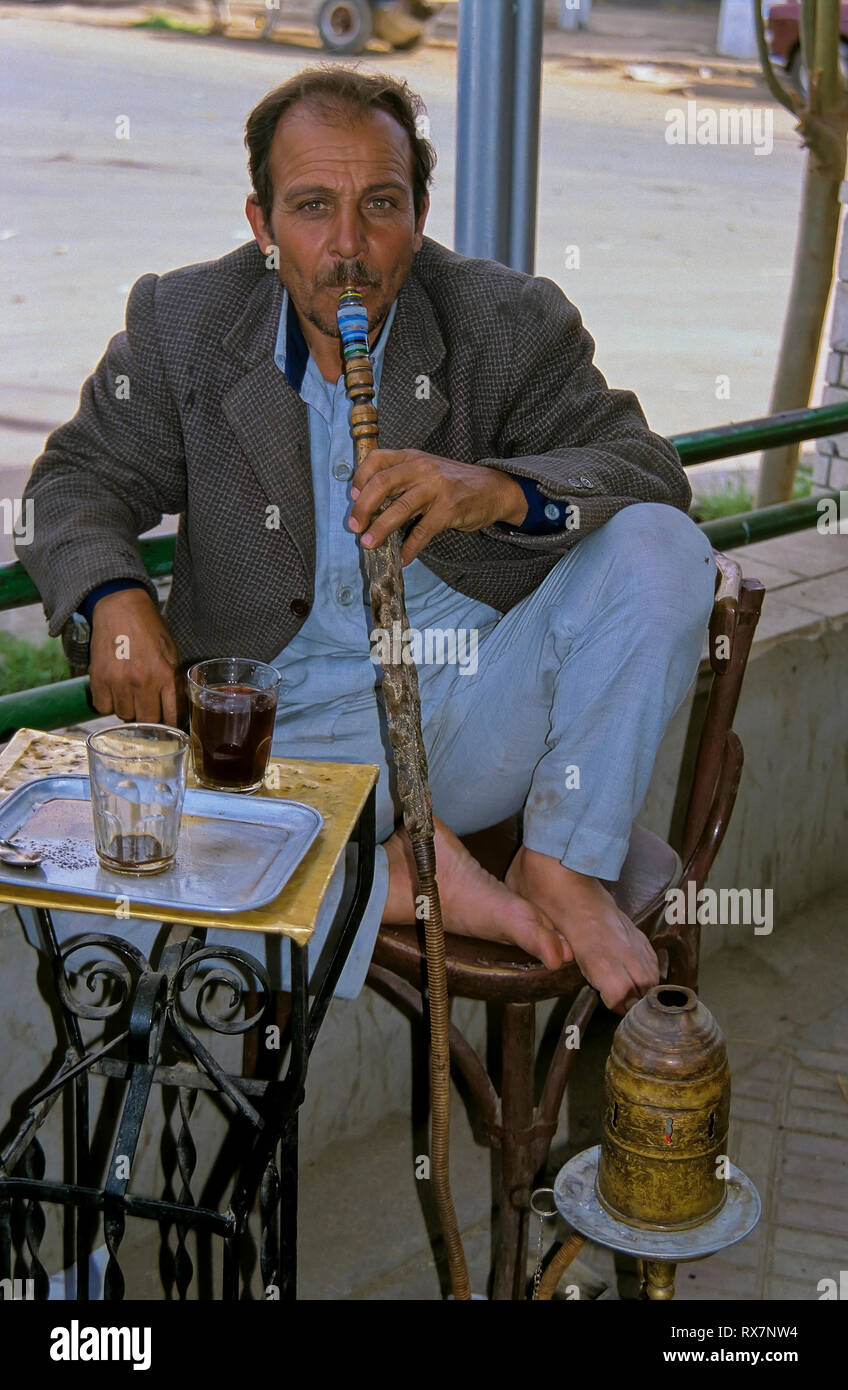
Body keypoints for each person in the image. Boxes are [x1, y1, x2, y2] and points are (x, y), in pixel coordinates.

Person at [16, 67, 716, 1015]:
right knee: (106, 875)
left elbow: (646, 470)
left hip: (471, 714)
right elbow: (71, 481)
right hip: (269, 740)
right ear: (262, 225)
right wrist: (115, 600)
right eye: (311, 208)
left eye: (380, 205)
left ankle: (560, 863)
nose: (348, 248)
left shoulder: (504, 321)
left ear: (420, 215)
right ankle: (400, 880)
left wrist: (500, 491)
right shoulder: (183, 325)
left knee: (663, 547)